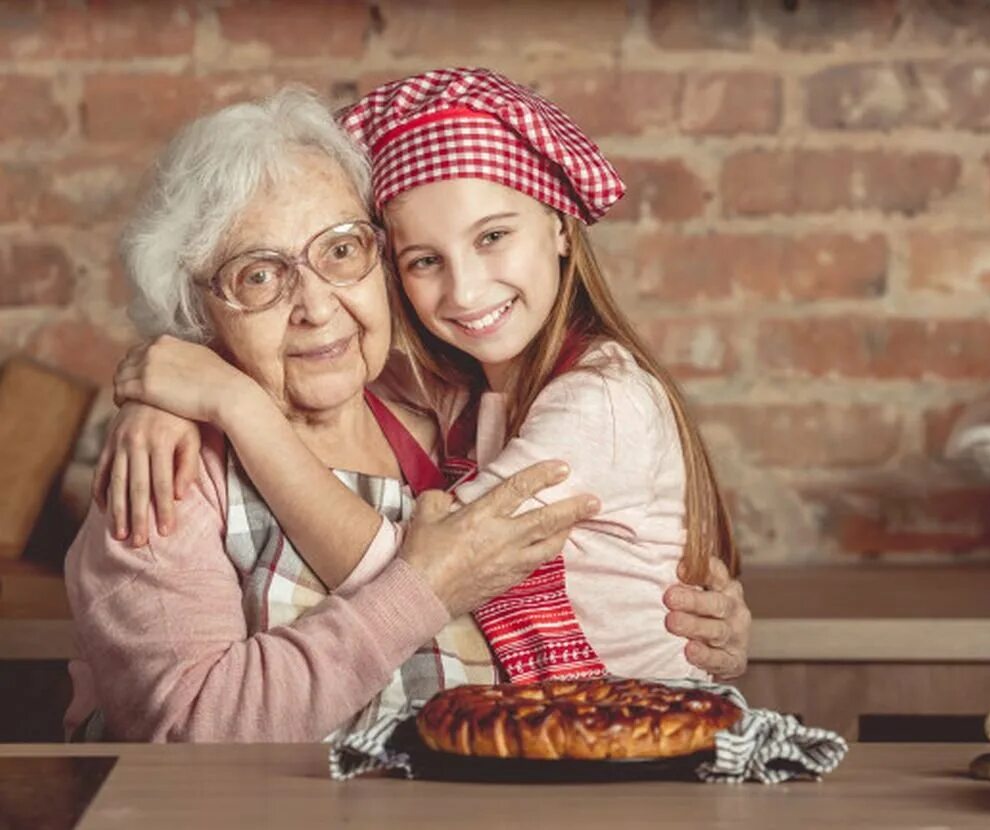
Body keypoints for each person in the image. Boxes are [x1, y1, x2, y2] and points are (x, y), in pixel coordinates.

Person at [107, 69, 744, 685]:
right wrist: (166, 400)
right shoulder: (450, 389)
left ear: (560, 225)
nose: (465, 288)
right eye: (425, 260)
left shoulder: (597, 403)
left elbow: (424, 572)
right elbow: (244, 347)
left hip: (638, 728)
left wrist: (231, 403)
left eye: (493, 235)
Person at [66, 87, 606, 742]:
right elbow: (189, 730)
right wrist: (419, 588)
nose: (317, 307)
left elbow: (602, 586)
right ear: (195, 310)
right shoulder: (167, 473)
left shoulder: (458, 411)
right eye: (258, 276)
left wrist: (695, 616)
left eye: (342, 250)